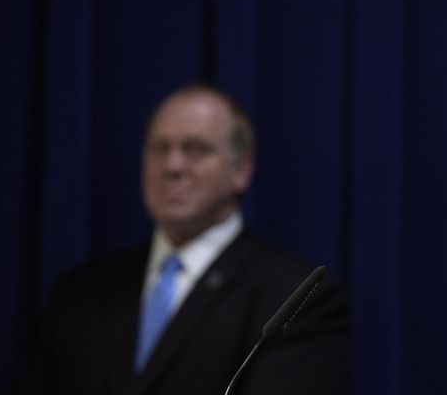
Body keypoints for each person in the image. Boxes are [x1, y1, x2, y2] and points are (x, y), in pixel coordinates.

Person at [26, 85, 350, 395]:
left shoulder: (296, 297)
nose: (173, 166)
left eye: (196, 149)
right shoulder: (79, 292)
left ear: (242, 169)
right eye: (160, 148)